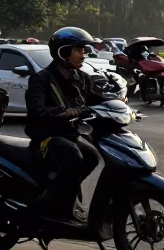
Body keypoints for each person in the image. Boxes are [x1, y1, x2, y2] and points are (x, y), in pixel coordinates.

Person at [25, 27, 106, 222]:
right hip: (46, 138)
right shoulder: (42, 79)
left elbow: (98, 100)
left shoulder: (82, 78)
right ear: (63, 52)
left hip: (69, 135)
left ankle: (65, 195)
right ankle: (49, 203)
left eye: (84, 50)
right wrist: (62, 112)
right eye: (78, 50)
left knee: (92, 157)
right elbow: (36, 110)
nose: (83, 54)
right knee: (73, 156)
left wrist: (118, 102)